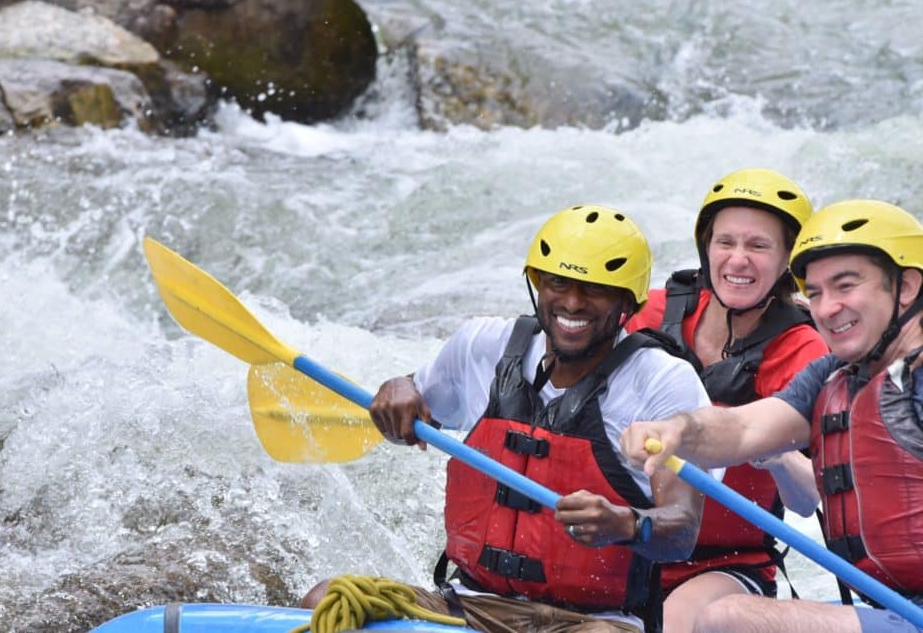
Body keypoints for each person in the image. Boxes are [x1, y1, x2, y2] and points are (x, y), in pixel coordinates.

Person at [301, 204, 711, 632]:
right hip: (468, 605)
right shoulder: (482, 345)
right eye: (558, 282)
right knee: (326, 600)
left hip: (591, 622)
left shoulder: (663, 382)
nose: (572, 301)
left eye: (595, 289)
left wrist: (625, 522)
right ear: (537, 283)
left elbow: (681, 531)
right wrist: (400, 387)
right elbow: (412, 406)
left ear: (628, 300)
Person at [620, 199, 923, 633]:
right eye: (815, 292)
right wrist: (675, 431)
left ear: (907, 287)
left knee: (728, 619)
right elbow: (743, 428)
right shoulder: (834, 376)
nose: (826, 308)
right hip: (896, 612)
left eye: (845, 286)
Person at [624, 168, 829, 632]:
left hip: (721, 565)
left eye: (758, 246)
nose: (738, 260)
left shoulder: (804, 351)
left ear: (788, 261)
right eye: (726, 243)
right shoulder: (650, 312)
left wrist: (772, 452)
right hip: (626, 542)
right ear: (706, 248)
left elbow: (807, 498)